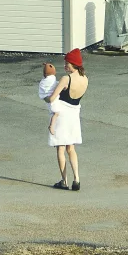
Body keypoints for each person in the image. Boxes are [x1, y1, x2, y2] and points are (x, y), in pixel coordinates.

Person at [48, 48, 87, 190]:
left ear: (74, 64)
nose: (65, 66)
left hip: (62, 114)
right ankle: (76, 179)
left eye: (67, 63)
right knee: (71, 148)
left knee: (60, 148)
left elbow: (52, 98)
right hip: (74, 114)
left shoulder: (66, 79)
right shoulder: (85, 79)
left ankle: (64, 181)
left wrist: (46, 97)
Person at [37, 62, 58, 133]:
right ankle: (51, 126)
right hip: (51, 98)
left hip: (46, 97)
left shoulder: (44, 80)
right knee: (56, 112)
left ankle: (52, 125)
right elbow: (55, 85)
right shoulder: (52, 79)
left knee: (52, 112)